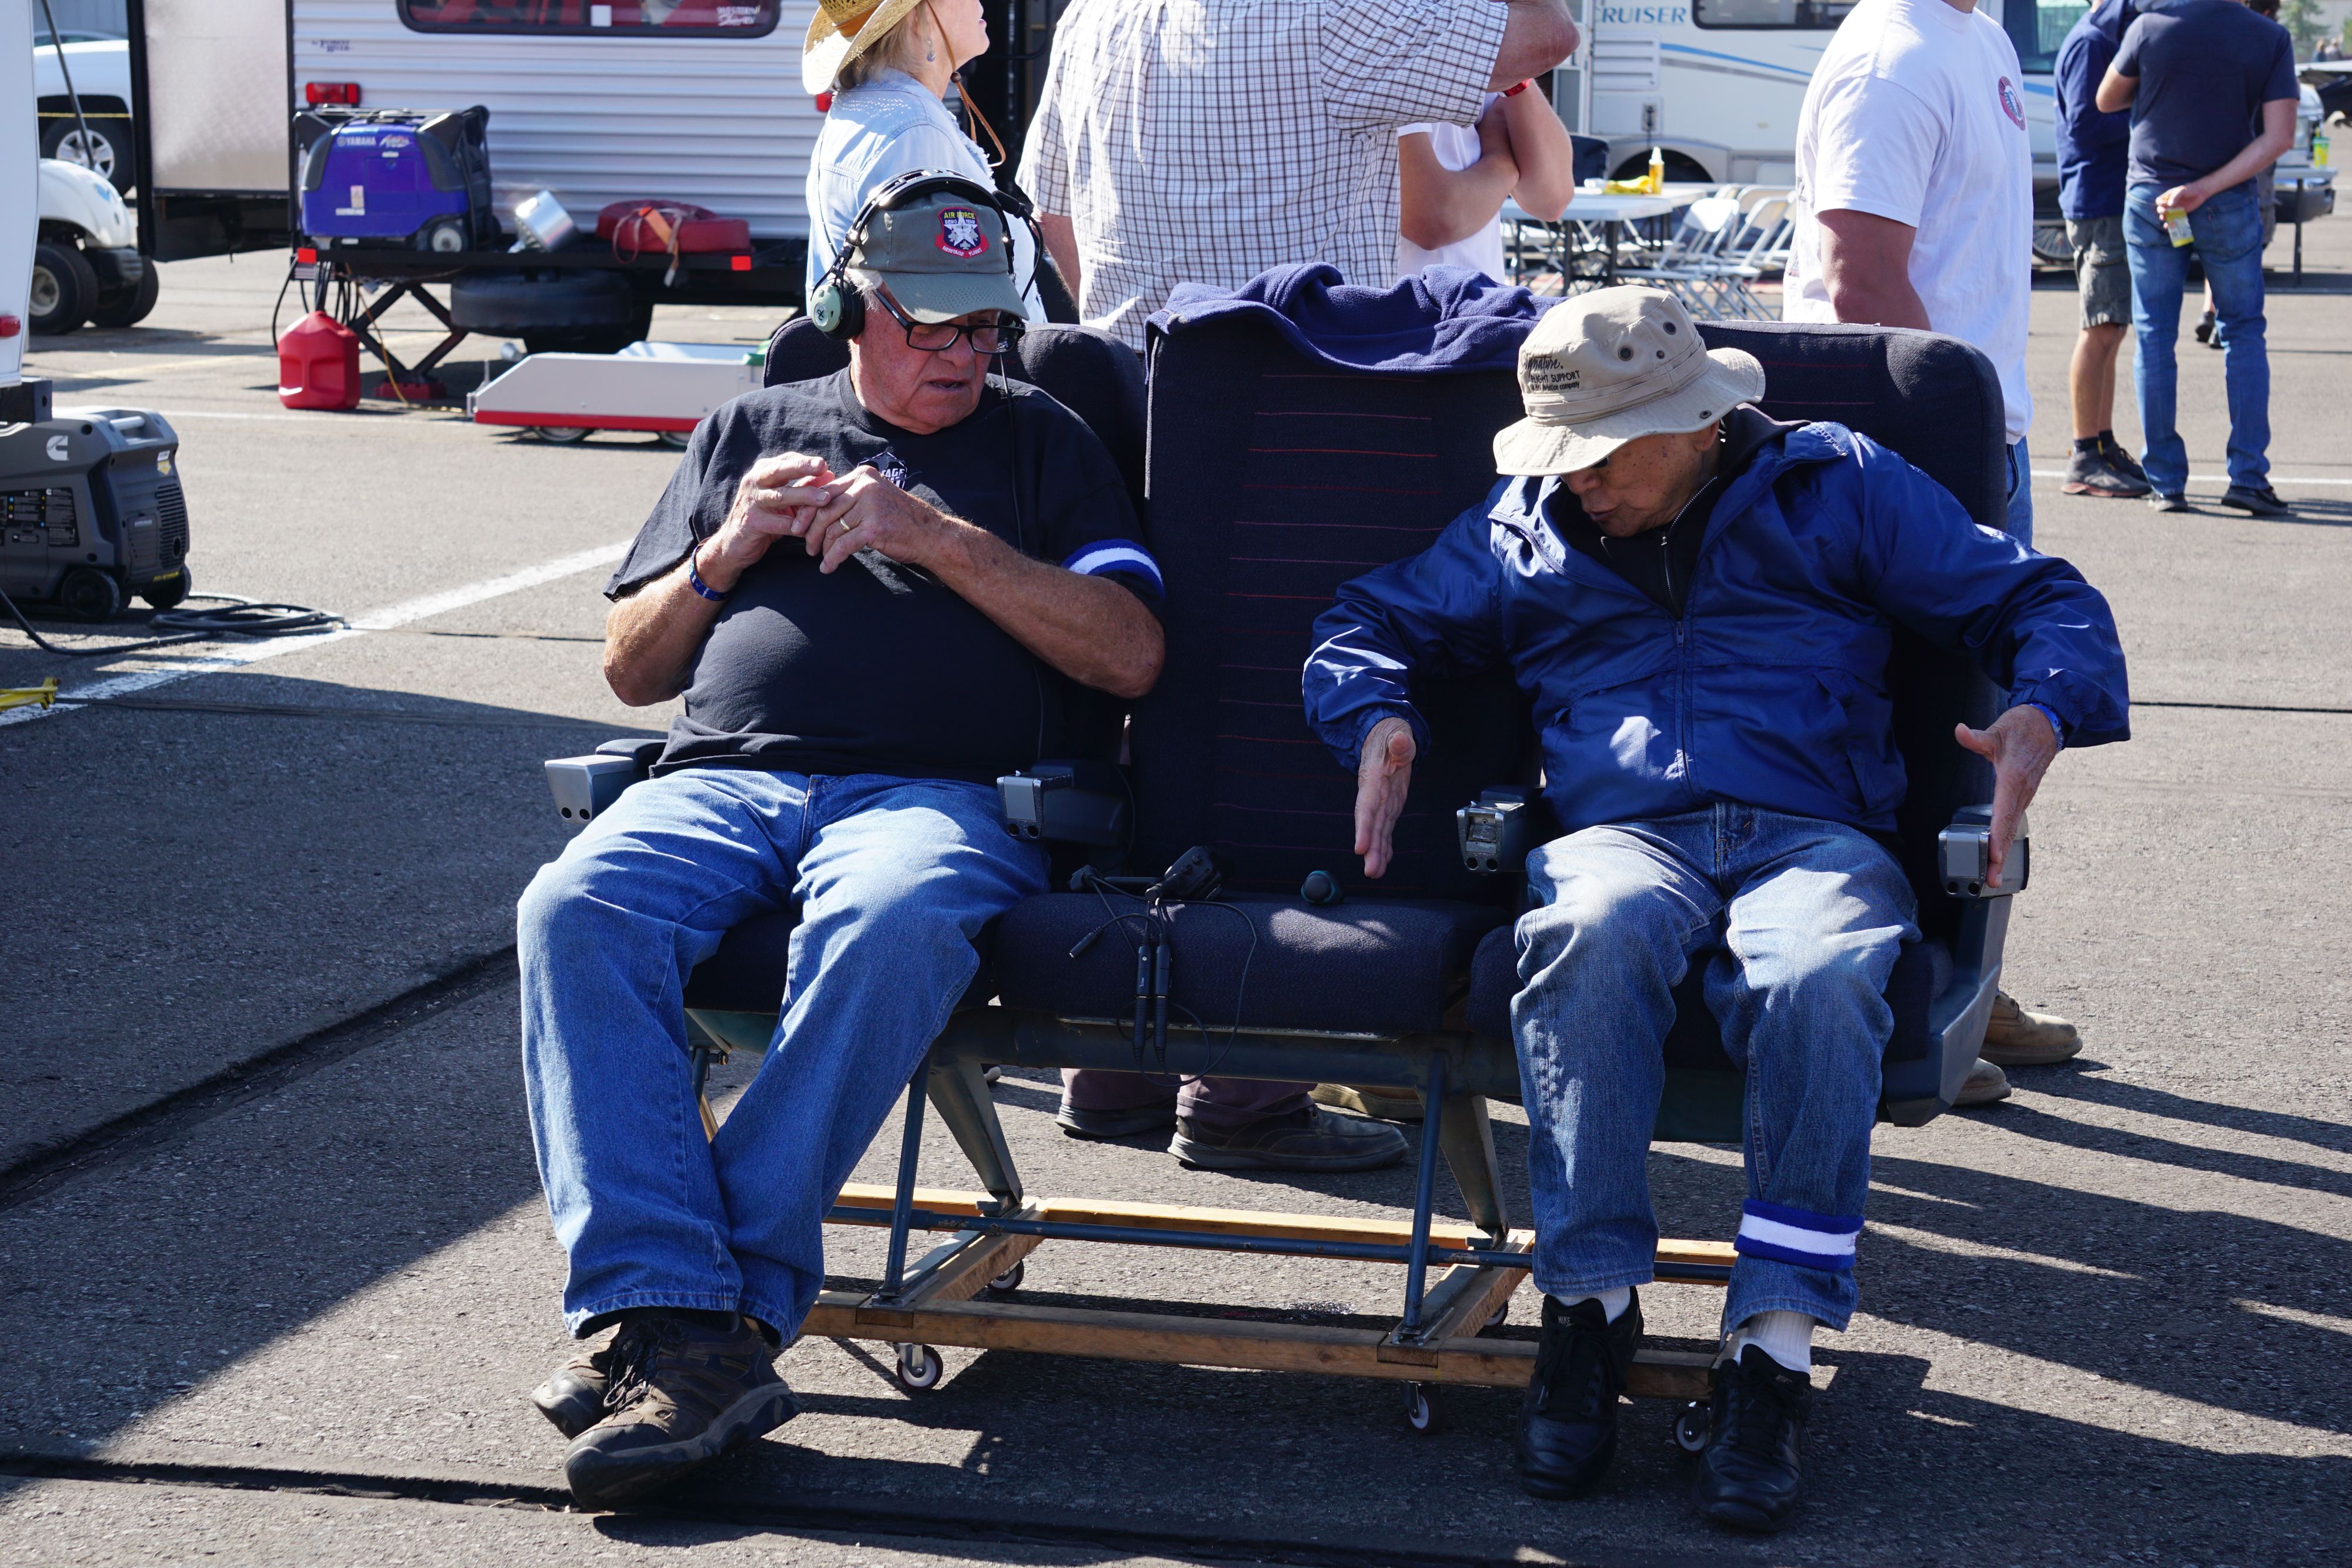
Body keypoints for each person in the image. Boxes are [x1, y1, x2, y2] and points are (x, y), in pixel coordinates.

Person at [1304, 287, 2130, 1533]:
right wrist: (1370, 712)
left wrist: (2044, 707)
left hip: (1814, 829)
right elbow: (1362, 619)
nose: (1575, 481)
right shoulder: (1523, 520)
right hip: (1618, 833)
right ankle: (1585, 1311)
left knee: (1817, 972)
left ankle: (1775, 1346)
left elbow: (2035, 600)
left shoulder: (1831, 483)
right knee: (1584, 934)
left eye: (1601, 453)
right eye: (1558, 454)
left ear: (1698, 423)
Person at [516, 181, 1165, 1510]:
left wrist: (937, 540)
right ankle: (684, 1317)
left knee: (889, 921)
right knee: (573, 907)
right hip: (721, 784)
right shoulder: (749, 425)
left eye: (985, 328)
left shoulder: (1045, 445)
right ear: (850, 309)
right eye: (931, 327)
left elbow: (1133, 653)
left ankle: (693, 1325)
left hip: (941, 797)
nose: (963, 355)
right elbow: (631, 676)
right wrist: (726, 552)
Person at [1785, 0, 2086, 1089]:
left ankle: (1966, 966)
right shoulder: (1892, 56)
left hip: (1976, 443)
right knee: (1921, 732)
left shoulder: (1979, 34)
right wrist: (1947, 463)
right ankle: (1909, 1000)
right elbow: (1861, 278)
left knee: (1979, 733)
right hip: (1918, 454)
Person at [1015, 0, 1582, 348]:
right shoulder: (1342, 17)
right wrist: (1504, 161)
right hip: (1316, 406)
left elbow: (1054, 216)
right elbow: (1552, 35)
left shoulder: (1089, 15)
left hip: (1140, 395)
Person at [2097, 0, 2298, 516]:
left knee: (2155, 337)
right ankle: (2248, 477)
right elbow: (2279, 137)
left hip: (2151, 196)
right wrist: (2205, 188)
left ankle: (2166, 482)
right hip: (2225, 200)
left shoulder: (2150, 27)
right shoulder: (2268, 37)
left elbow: (2105, 99)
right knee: (2244, 332)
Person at [803, 0, 1046, 321]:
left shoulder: (877, 108)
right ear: (920, 20)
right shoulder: (915, 129)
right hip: (958, 364)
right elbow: (940, 312)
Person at [2054, 0, 2154, 497]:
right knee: (2100, 327)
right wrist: (2147, 109)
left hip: (2104, 198)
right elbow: (2085, 123)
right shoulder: (2093, 42)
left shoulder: (2103, 36)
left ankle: (2101, 442)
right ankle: (2084, 455)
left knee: (2110, 328)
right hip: (2098, 201)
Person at [1398, 80, 1579, 282]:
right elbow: (1433, 220)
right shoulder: (1394, 59)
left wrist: (1518, 74)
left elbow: (1550, 201)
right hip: (1400, 303)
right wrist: (1502, 161)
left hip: (1481, 300)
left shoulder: (1477, 58)